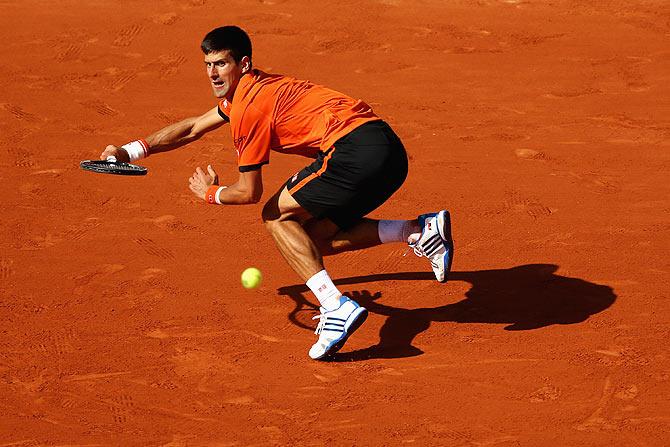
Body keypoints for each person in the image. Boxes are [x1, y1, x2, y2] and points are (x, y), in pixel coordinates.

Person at [100, 25, 454, 360]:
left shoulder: (250, 108)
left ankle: (335, 306)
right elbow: (193, 127)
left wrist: (210, 193)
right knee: (311, 241)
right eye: (208, 65)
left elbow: (249, 192)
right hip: (388, 151)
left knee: (275, 215)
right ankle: (419, 230)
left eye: (221, 63)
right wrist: (129, 152)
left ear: (243, 64)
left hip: (352, 150)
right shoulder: (254, 89)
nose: (212, 73)